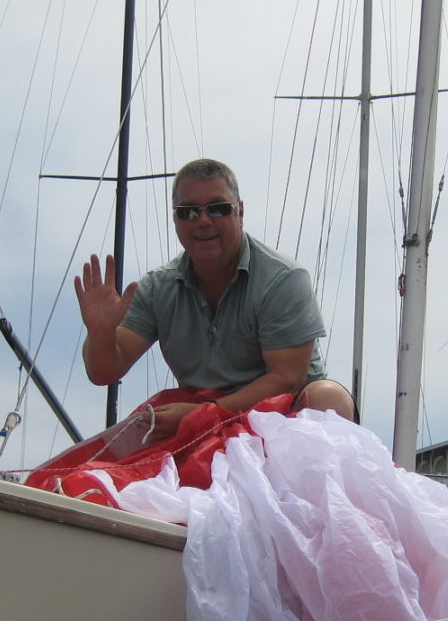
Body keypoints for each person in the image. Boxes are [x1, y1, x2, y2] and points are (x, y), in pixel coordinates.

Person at [74, 158, 355, 442]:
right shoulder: (157, 288)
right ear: (176, 220)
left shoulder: (283, 279)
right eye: (189, 211)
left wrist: (202, 414)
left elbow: (286, 379)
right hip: (199, 421)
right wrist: (101, 332)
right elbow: (105, 372)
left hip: (280, 421)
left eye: (218, 209)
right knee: (132, 438)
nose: (203, 221)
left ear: (240, 212)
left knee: (328, 398)